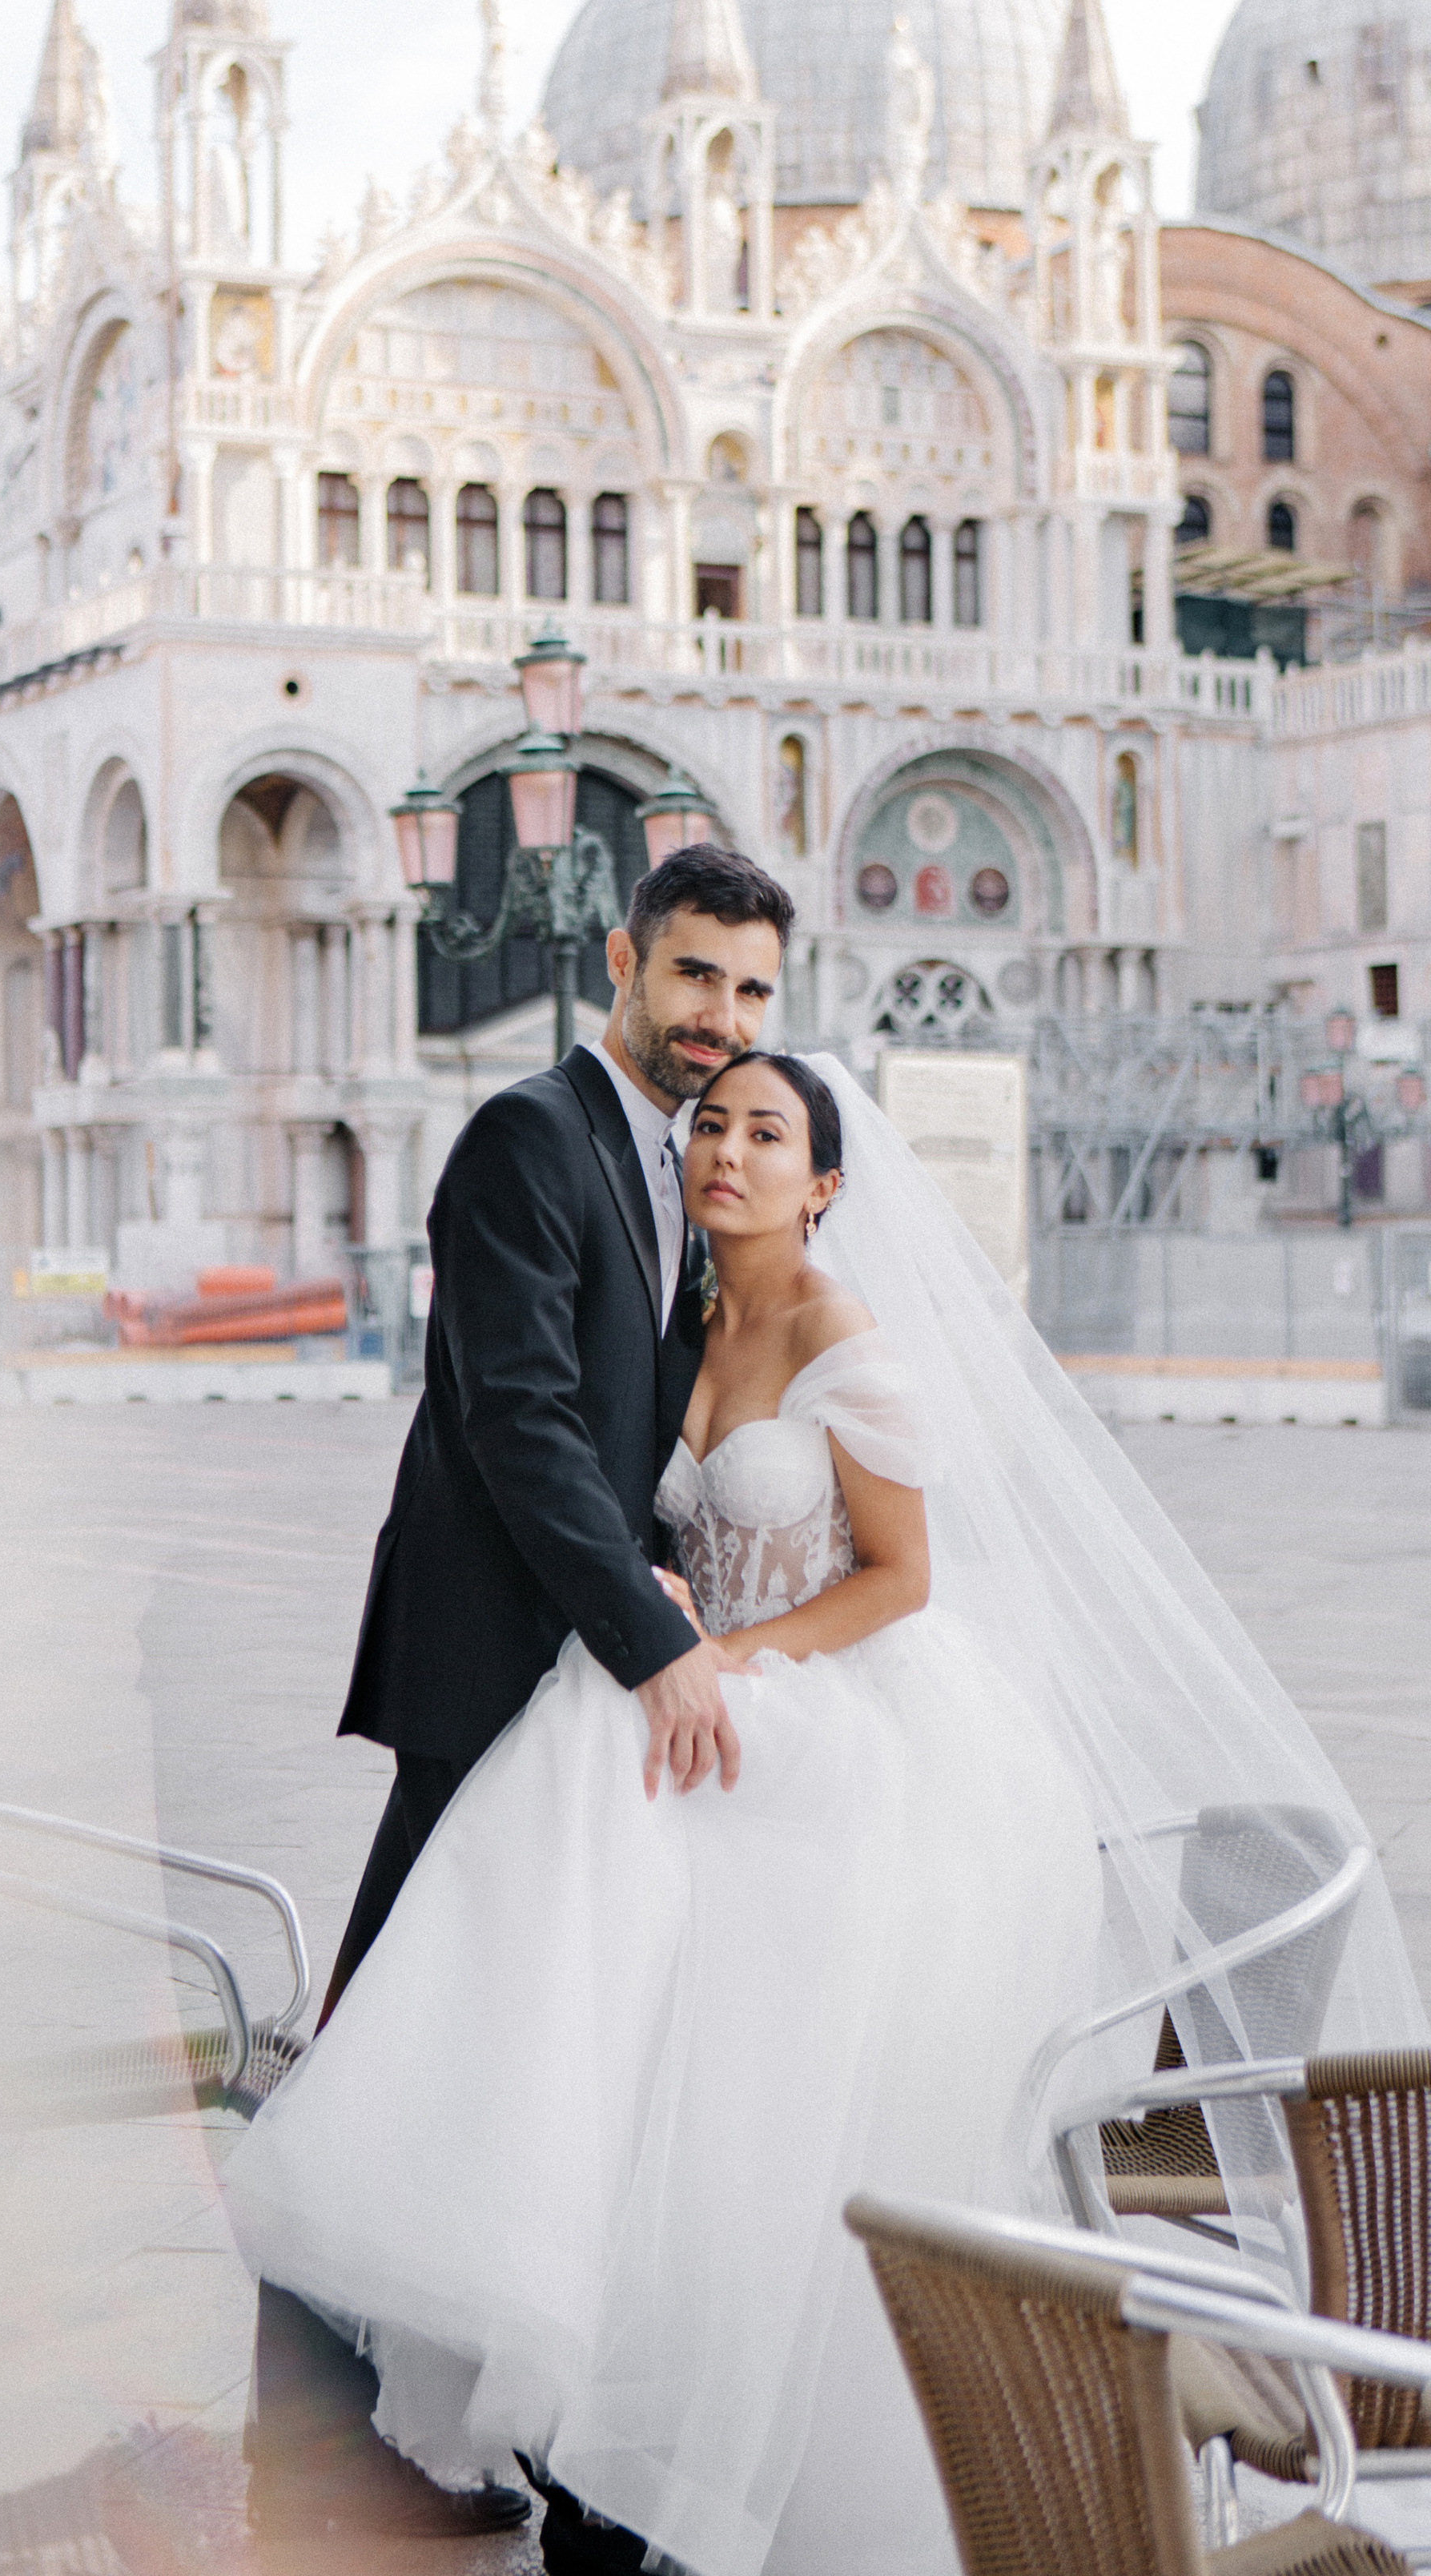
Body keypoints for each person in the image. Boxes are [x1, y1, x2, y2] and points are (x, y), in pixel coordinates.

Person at [227, 1047, 1427, 2575]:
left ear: (827, 1183)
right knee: (605, 1983)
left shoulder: (844, 1334)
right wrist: (666, 1615)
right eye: (715, 1125)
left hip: (839, 1714)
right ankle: (551, 2339)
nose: (729, 1150)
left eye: (768, 1133)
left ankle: (730, 2437)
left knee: (754, 2078)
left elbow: (900, 1577)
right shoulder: (680, 1325)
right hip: (707, 1690)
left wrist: (723, 1653)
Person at [243, 844, 794, 2546]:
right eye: (693, 976)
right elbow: (519, 1421)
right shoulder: (521, 1141)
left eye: (752, 991)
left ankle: (473, 2413)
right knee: (386, 2042)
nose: (718, 1019)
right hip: (487, 1658)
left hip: (582, 1679)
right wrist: (653, 1639)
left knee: (517, 2059)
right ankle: (307, 2445)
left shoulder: (680, 1166)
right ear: (623, 958)